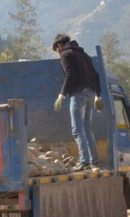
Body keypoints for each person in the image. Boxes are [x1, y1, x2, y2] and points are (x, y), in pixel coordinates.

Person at [52, 34, 104, 171]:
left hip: (78, 94)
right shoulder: (84, 55)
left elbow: (70, 75)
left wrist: (62, 95)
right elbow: (96, 75)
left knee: (77, 129)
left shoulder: (66, 54)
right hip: (90, 93)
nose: (58, 53)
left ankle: (84, 161)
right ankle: (94, 162)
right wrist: (98, 96)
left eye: (56, 49)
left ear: (59, 46)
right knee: (87, 127)